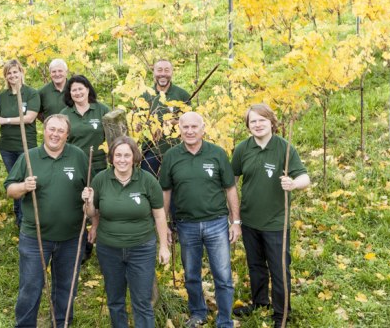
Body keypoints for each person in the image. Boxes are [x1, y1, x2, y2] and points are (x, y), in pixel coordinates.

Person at [4, 114, 89, 327]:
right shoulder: (29, 157)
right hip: (35, 237)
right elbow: (10, 189)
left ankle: (61, 323)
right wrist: (24, 186)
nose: (55, 134)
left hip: (71, 237)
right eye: (52, 129)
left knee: (67, 287)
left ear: (67, 135)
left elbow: (91, 189)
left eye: (60, 131)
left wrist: (90, 198)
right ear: (44, 130)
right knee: (30, 287)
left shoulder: (78, 156)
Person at [231, 104, 310, 328]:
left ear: (271, 122)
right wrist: (233, 216)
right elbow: (231, 182)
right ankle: (260, 303)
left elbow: (305, 177)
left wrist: (293, 183)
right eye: (252, 121)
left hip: (276, 221)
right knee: (255, 266)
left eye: (261, 120)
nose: (257, 125)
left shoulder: (284, 148)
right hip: (249, 220)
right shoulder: (242, 149)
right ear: (248, 126)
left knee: (279, 268)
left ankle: (281, 313)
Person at [158, 112, 239, 328]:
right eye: (186, 127)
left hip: (217, 223)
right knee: (191, 274)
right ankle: (198, 313)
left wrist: (236, 222)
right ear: (180, 130)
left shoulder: (217, 154)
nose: (190, 131)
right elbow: (165, 192)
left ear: (203, 129)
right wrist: (164, 223)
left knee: (222, 275)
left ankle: (225, 320)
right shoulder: (172, 157)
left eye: (195, 127)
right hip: (186, 225)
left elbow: (230, 188)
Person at [82, 136, 170, 328]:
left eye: (127, 155)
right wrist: (87, 202)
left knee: (142, 302)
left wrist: (164, 246)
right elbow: (91, 213)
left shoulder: (147, 180)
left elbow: (160, 216)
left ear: (134, 157)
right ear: (111, 158)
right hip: (109, 249)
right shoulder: (101, 179)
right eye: (118, 155)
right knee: (115, 301)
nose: (122, 159)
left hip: (141, 249)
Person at [0, 59, 40, 226]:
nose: (12, 75)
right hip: (7, 147)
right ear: (6, 76)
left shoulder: (31, 93)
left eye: (15, 72)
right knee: (14, 183)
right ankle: (19, 218)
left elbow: (29, 118)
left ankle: (27, 217)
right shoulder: (3, 96)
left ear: (21, 73)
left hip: (26, 146)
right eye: (9, 73)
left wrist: (5, 120)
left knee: (27, 181)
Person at [140, 59, 191, 178]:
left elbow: (190, 122)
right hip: (150, 151)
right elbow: (138, 124)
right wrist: (151, 127)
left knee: (175, 187)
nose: (163, 74)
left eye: (166, 70)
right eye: (159, 70)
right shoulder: (146, 94)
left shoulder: (182, 95)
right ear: (154, 73)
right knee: (149, 185)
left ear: (172, 72)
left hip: (176, 150)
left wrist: (173, 122)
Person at [60, 74, 110, 176]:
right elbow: (60, 141)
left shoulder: (102, 110)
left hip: (98, 166)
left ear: (87, 89)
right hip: (74, 164)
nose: (77, 93)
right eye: (74, 90)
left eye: (80, 89)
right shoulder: (64, 114)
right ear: (70, 93)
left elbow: (113, 137)